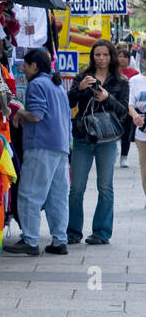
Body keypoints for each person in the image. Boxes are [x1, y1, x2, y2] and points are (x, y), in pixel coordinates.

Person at [4, 49, 71, 255]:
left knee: (29, 194)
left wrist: (19, 112)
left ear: (34, 66)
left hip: (41, 146)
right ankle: (60, 240)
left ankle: (30, 240)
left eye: (25, 65)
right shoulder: (57, 85)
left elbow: (36, 115)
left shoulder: (37, 84)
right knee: (56, 197)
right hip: (60, 147)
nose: (22, 68)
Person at [67, 39, 131, 244]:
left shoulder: (120, 82)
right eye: (97, 55)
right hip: (83, 138)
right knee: (76, 188)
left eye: (105, 55)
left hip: (107, 139)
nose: (101, 58)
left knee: (105, 187)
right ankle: (72, 231)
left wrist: (107, 98)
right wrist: (79, 89)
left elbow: (123, 112)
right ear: (92, 56)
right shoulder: (82, 77)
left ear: (111, 56)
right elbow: (68, 102)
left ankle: (101, 232)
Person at [117, 46, 139, 167]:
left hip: (129, 107)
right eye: (119, 56)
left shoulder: (134, 74)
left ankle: (124, 156)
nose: (122, 59)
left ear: (129, 59)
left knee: (126, 132)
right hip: (115, 106)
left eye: (124, 57)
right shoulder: (112, 72)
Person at [130, 68, 146, 208]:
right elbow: (130, 104)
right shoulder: (135, 81)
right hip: (142, 131)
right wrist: (135, 115)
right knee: (145, 167)